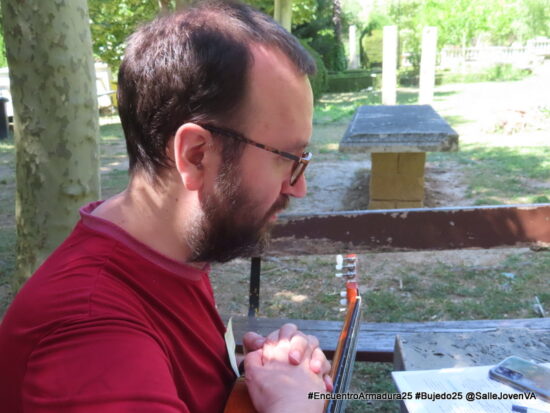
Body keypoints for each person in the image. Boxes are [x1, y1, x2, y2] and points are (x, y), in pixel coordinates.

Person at [0, 1, 332, 412]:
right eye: (287, 158)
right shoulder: (90, 336)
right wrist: (296, 406)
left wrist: (276, 380)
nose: (298, 188)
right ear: (195, 155)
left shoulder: (168, 252)